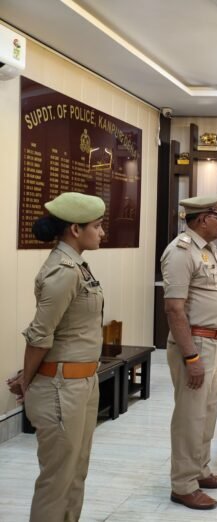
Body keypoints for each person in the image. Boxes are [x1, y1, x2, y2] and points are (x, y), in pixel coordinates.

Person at [10, 192, 105, 522]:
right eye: (97, 226)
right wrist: (26, 379)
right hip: (61, 389)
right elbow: (39, 335)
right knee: (57, 480)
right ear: (75, 230)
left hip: (82, 383)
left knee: (75, 473)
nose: (102, 232)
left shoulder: (77, 265)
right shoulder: (63, 271)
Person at [160, 193, 217, 510]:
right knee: (190, 417)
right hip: (195, 344)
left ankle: (200, 470)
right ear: (203, 219)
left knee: (206, 414)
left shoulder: (208, 249)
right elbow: (174, 309)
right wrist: (191, 356)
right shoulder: (181, 252)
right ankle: (183, 485)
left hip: (214, 342)